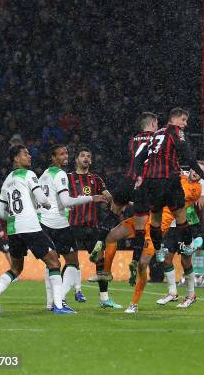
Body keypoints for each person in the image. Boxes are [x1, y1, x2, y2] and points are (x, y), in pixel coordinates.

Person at [0, 144, 74, 315]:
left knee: (16, 268)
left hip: (13, 229)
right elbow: (43, 199)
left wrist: (15, 214)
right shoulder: (30, 175)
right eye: (25, 154)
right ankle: (59, 307)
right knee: (54, 261)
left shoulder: (7, 180)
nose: (29, 156)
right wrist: (44, 204)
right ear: (16, 159)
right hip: (30, 226)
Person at [124, 162, 204, 313]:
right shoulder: (181, 178)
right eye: (194, 169)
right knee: (166, 260)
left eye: (200, 172)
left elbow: (175, 195)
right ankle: (172, 292)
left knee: (185, 261)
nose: (196, 173)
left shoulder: (195, 189)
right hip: (170, 227)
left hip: (185, 226)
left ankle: (191, 295)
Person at [138, 107, 204, 282]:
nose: (185, 124)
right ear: (175, 119)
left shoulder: (156, 133)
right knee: (181, 216)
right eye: (183, 120)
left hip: (151, 181)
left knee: (155, 219)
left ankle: (158, 250)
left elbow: (141, 156)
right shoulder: (175, 131)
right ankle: (187, 245)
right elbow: (188, 156)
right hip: (168, 180)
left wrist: (140, 175)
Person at [39, 144, 106, 310]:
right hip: (60, 224)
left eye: (66, 153)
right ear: (53, 158)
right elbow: (67, 202)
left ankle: (51, 302)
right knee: (72, 263)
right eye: (61, 154)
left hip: (44, 224)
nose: (65, 156)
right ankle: (59, 300)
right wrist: (92, 198)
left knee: (52, 263)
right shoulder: (62, 174)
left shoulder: (44, 175)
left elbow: (38, 199)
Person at [93, 112, 158, 283]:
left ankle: (99, 241)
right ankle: (135, 261)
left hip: (126, 181)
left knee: (114, 211)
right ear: (152, 124)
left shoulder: (133, 140)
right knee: (140, 227)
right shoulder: (157, 139)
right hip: (140, 183)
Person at [67, 147, 121, 308]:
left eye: (88, 156)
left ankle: (104, 299)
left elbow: (108, 196)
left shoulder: (95, 179)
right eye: (82, 155)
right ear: (76, 159)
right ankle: (59, 298)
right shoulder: (68, 178)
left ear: (91, 161)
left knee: (101, 260)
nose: (85, 158)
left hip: (91, 226)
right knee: (70, 262)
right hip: (71, 226)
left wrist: (118, 199)